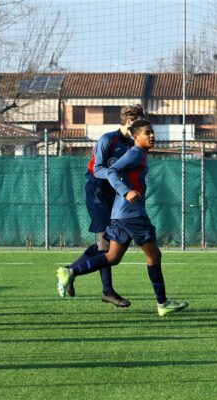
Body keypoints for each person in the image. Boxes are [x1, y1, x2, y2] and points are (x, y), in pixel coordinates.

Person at [56, 120, 189, 316]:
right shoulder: (135, 153)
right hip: (132, 214)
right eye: (147, 133)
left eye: (152, 132)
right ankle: (163, 304)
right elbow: (111, 171)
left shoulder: (140, 154)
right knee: (154, 256)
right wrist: (126, 191)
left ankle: (71, 271)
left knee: (112, 257)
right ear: (135, 137)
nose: (152, 136)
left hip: (121, 214)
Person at [65, 104, 145, 308]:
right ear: (129, 121)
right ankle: (107, 291)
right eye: (139, 121)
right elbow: (98, 169)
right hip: (98, 191)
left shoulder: (134, 145)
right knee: (106, 245)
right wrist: (114, 175)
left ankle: (71, 270)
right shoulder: (108, 140)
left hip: (117, 194)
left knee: (112, 243)